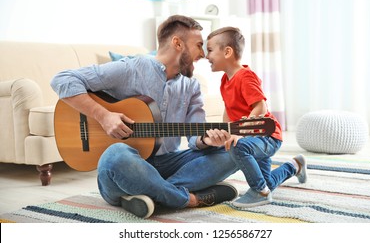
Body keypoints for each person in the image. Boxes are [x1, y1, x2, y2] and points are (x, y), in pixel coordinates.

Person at [50, 15, 239, 218]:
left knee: (236, 151)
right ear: (177, 43)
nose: (202, 54)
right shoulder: (131, 68)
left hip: (168, 163)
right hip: (127, 165)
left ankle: (145, 194)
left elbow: (195, 136)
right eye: (199, 45)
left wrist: (206, 139)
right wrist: (104, 116)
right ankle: (189, 199)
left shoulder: (191, 86)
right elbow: (62, 80)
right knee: (116, 155)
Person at [205, 27, 307, 208]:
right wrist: (227, 132)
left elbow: (261, 107)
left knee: (239, 146)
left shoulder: (245, 76)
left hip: (267, 135)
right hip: (254, 138)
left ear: (227, 52)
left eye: (210, 50)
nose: (207, 56)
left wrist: (241, 133)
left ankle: (260, 193)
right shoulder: (224, 80)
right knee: (266, 180)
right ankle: (295, 165)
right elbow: (229, 109)